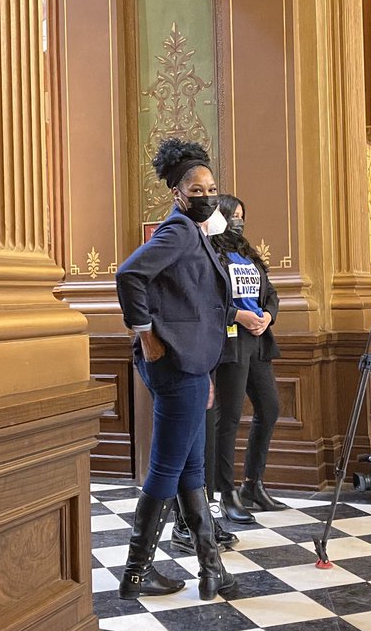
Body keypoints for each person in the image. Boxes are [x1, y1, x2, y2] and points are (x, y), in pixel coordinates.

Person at [115, 138, 237, 602]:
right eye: (196, 188)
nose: (206, 194)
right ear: (178, 193)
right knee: (168, 468)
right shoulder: (180, 231)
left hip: (190, 364)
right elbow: (129, 275)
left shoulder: (195, 233)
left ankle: (211, 571)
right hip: (174, 365)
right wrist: (146, 334)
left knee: (191, 470)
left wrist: (202, 369)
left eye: (211, 186)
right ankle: (135, 572)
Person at [210, 194, 288, 515]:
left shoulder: (249, 255)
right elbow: (209, 301)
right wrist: (237, 316)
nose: (239, 221)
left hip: (258, 340)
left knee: (269, 408)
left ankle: (252, 483)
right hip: (231, 342)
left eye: (243, 215)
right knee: (227, 417)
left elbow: (270, 294)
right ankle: (225, 492)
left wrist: (267, 316)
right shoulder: (212, 255)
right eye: (233, 215)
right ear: (220, 216)